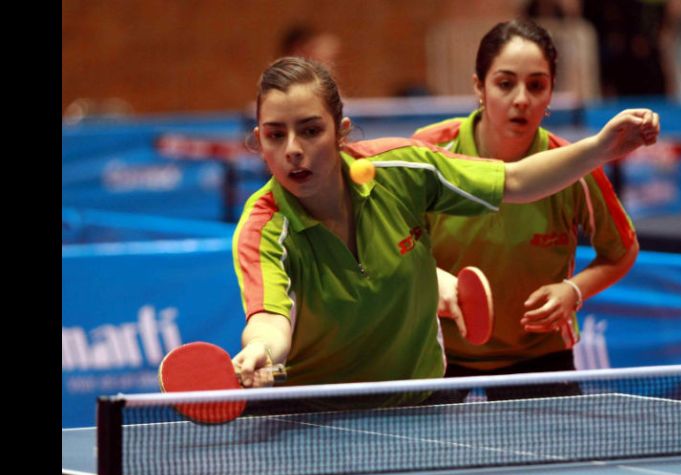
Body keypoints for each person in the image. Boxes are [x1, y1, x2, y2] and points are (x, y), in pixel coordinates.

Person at [231, 56, 657, 408]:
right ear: (259, 139)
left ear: (341, 132)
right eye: (275, 134)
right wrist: (261, 351)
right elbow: (270, 318)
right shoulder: (265, 227)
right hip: (312, 410)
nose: (292, 149)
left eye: (310, 129)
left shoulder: (402, 172)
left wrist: (602, 147)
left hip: (416, 399)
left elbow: (515, 182)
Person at [411, 19, 639, 395]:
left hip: (540, 360)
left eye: (536, 86)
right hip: (439, 353)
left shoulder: (574, 166)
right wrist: (428, 276)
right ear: (478, 87)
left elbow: (622, 251)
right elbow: (395, 241)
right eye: (505, 83)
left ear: (550, 94)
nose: (521, 99)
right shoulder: (429, 153)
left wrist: (574, 291)